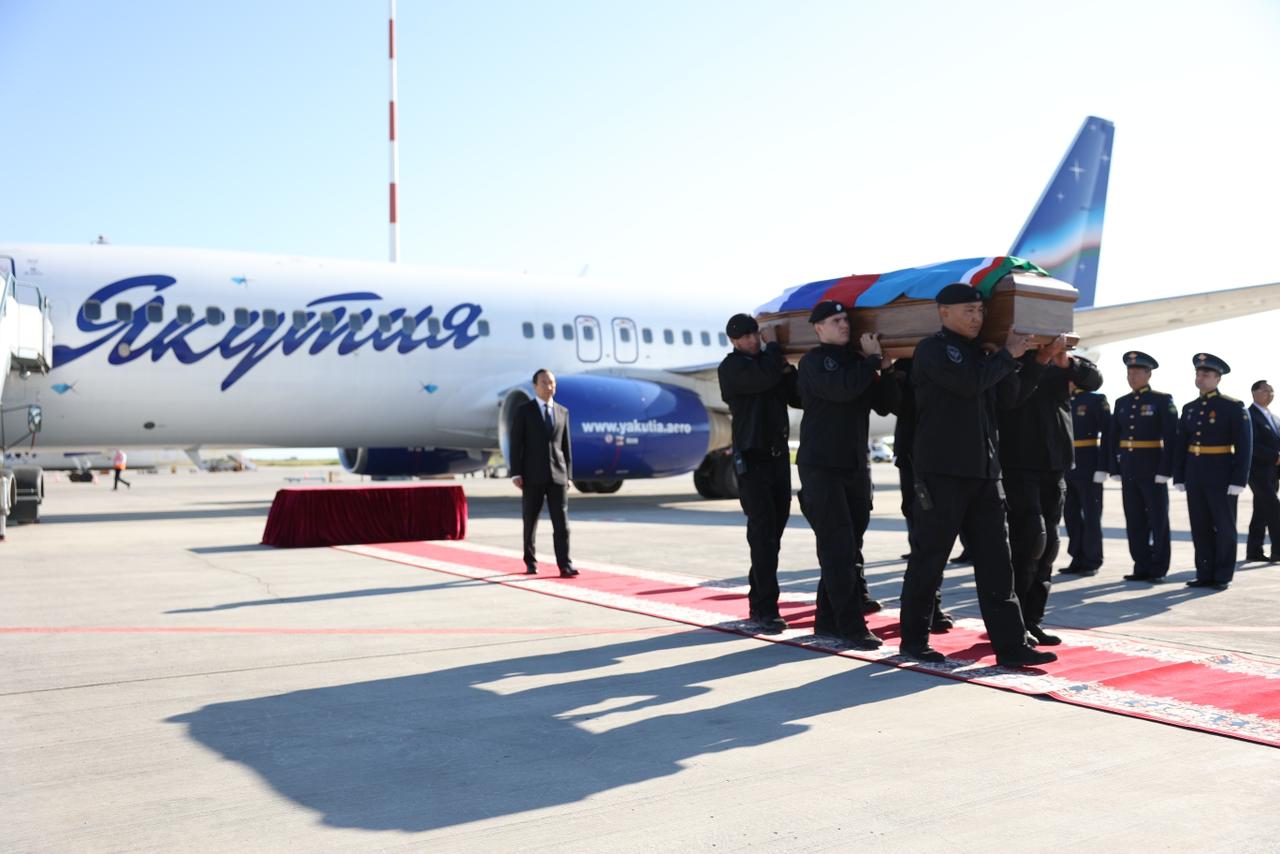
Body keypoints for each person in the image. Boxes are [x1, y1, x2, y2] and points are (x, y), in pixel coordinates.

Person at [896, 283, 1056, 668]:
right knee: (930, 558)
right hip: (943, 473)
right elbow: (968, 383)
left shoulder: (983, 354)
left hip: (985, 474)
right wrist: (1005, 355)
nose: (977, 317)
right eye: (968, 310)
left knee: (997, 563)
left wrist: (1037, 361)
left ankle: (1011, 646)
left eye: (981, 311)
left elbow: (1010, 399)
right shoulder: (933, 349)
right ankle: (914, 641)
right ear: (944, 312)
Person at [795, 299, 894, 649]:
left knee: (849, 547)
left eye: (846, 320)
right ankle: (852, 627)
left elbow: (886, 404)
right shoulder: (812, 362)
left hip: (854, 465)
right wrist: (871, 362)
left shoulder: (857, 362)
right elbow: (841, 389)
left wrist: (887, 369)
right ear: (818, 327)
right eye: (836, 320)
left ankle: (826, 620)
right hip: (821, 466)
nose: (844, 325)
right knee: (838, 547)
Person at [998, 338, 1102, 646]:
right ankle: (1014, 623)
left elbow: (1094, 380)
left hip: (1054, 464)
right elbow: (1008, 400)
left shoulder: (1061, 362)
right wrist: (1035, 361)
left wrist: (1067, 363)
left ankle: (1033, 620)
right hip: (1020, 464)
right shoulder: (1011, 358)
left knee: (1049, 547)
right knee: (1030, 542)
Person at [717, 313, 802, 632]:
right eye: (746, 337)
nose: (753, 340)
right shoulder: (732, 367)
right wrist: (775, 350)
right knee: (763, 535)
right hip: (752, 462)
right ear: (733, 341)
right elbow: (763, 379)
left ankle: (759, 598)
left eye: (755, 334)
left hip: (778, 459)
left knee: (774, 534)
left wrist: (790, 370)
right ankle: (765, 608)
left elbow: (797, 397)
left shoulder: (769, 363)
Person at [1173, 353, 1253, 590]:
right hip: (1195, 474)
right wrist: (1180, 475)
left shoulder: (1232, 407)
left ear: (1218, 378)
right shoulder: (1190, 408)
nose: (1201, 378)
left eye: (1206, 374)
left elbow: (1244, 446)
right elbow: (1181, 444)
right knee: (1200, 525)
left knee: (1224, 527)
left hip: (1221, 475)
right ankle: (1204, 572)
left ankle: (1222, 575)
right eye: (1198, 374)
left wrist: (1239, 479)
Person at [1107, 352, 1178, 582]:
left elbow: (1171, 438)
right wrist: (1114, 468)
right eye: (1129, 372)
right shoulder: (1122, 402)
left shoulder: (1162, 400)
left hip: (1153, 469)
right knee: (1134, 519)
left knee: (1158, 520)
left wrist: (1166, 470)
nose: (1132, 377)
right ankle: (1141, 564)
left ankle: (1158, 567)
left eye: (1137, 372)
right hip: (1129, 469)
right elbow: (1112, 438)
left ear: (1148, 374)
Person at [509, 369, 578, 578]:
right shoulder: (524, 411)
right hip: (532, 476)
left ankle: (565, 564)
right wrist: (516, 473)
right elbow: (516, 444)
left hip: (558, 475)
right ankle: (530, 561)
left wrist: (568, 475)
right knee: (530, 521)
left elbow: (566, 447)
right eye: (545, 383)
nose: (550, 387)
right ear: (535, 386)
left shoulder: (562, 412)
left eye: (552, 383)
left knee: (562, 523)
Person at [1061, 382, 1111, 576]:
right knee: (1070, 514)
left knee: (1091, 515)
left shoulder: (1094, 399)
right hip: (1067, 465)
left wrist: (1103, 466)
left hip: (1089, 465)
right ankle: (1077, 556)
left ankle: (1092, 559)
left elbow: (1108, 434)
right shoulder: (1062, 399)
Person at [1245, 379, 1280, 563]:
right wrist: (1274, 456)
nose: (1270, 394)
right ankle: (1278, 551)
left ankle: (1254, 550)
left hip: (1273, 472)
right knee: (1274, 509)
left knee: (1260, 511)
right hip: (1257, 472)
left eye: (1272, 391)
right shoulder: (1249, 415)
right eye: (1266, 390)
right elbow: (1251, 444)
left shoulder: (1273, 417)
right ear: (1255, 393)